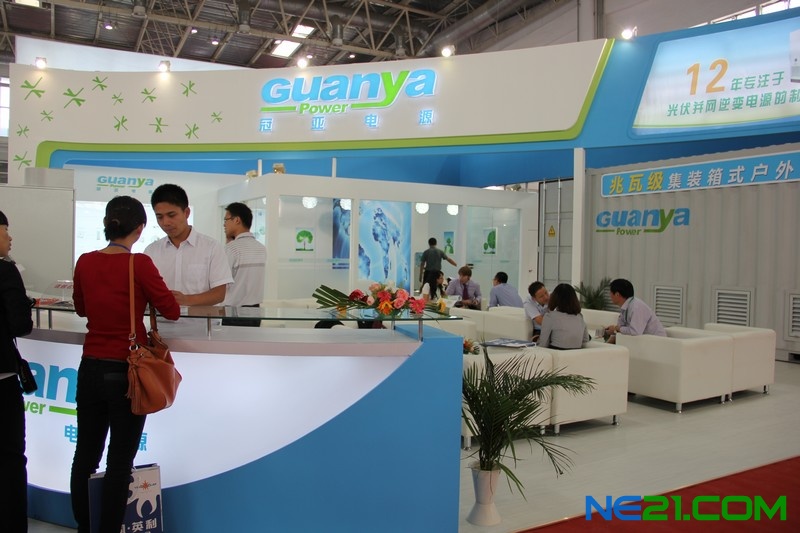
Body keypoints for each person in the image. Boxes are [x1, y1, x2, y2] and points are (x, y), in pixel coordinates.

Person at [70, 196, 180, 533]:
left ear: (108, 224)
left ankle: (85, 526)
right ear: (140, 228)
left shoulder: (85, 261)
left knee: (85, 456)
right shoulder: (139, 264)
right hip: (126, 372)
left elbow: (81, 308)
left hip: (89, 367)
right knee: (119, 462)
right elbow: (171, 311)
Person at [0, 210, 34, 533]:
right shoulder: (5, 270)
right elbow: (20, 325)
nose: (10, 238)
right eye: (5, 230)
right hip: (2, 380)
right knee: (10, 459)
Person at [144, 184, 233, 307]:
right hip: (161, 319)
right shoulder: (151, 251)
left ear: (186, 213)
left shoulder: (211, 247)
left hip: (199, 320)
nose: (165, 222)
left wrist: (186, 300)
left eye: (171, 215)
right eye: (159, 217)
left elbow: (219, 294)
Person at [222, 202, 266, 327]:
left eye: (226, 220)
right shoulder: (261, 248)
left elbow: (223, 283)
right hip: (256, 312)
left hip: (234, 313)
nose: (224, 224)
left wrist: (228, 244)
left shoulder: (231, 249)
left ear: (237, 220)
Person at [604, 278, 666, 344]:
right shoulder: (625, 307)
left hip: (658, 343)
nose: (610, 295)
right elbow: (620, 330)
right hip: (645, 342)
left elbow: (635, 332)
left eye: (610, 293)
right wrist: (611, 333)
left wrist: (616, 329)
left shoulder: (636, 306)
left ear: (617, 294)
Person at [537, 283, 590, 349]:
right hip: (576, 354)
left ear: (555, 298)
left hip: (555, 354)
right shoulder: (580, 317)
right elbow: (585, 340)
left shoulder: (549, 316)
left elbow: (543, 345)